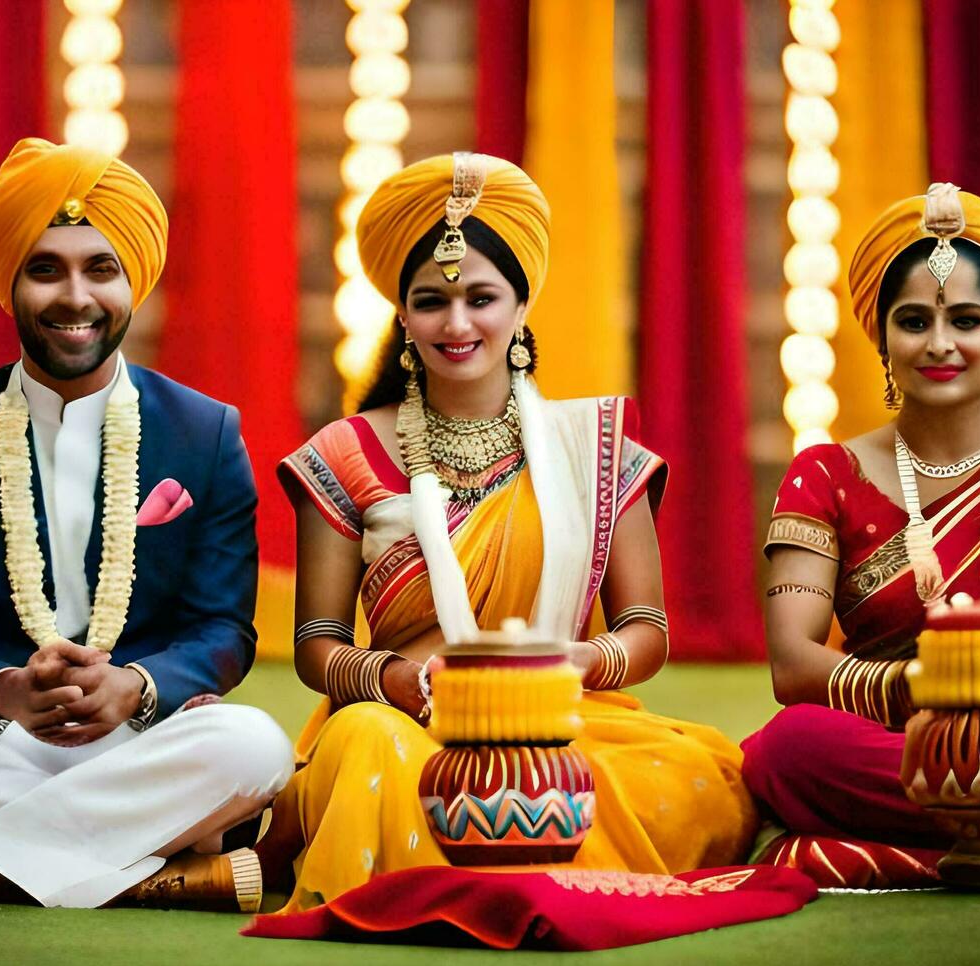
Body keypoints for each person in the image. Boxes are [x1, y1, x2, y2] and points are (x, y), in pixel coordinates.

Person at [255, 152, 757, 913]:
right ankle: (501, 877)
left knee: (699, 784)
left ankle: (467, 875)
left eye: (482, 298)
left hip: (559, 721)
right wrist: (399, 683)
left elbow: (646, 629)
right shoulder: (345, 451)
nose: (457, 324)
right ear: (402, 314)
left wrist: (569, 665)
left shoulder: (594, 449)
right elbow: (318, 643)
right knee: (368, 752)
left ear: (522, 308)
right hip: (404, 727)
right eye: (430, 301)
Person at [0, 138, 292, 911]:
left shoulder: (204, 432)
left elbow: (223, 630)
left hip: (143, 740)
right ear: (9, 282)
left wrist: (135, 688)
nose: (74, 297)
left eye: (100, 269)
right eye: (46, 269)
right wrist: (8, 691)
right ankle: (153, 867)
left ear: (133, 282)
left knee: (254, 745)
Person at [742, 183, 980, 888]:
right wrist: (929, 690)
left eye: (967, 319)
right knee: (789, 749)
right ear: (881, 334)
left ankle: (975, 828)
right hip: (903, 737)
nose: (941, 343)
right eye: (915, 320)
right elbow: (793, 666)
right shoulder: (826, 474)